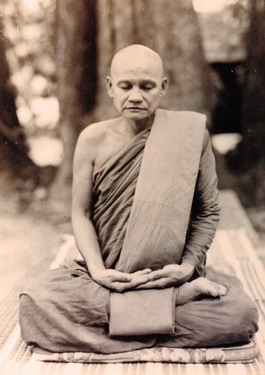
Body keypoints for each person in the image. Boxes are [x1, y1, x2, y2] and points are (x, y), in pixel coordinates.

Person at [19, 45, 258, 354]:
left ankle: (136, 316)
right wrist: (98, 271)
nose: (135, 96)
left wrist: (186, 268)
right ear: (110, 87)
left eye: (146, 86)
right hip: (106, 278)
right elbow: (81, 213)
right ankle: (176, 304)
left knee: (240, 316)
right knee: (35, 302)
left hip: (170, 274)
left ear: (163, 88)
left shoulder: (189, 134)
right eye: (125, 86)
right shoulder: (93, 139)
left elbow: (208, 210)